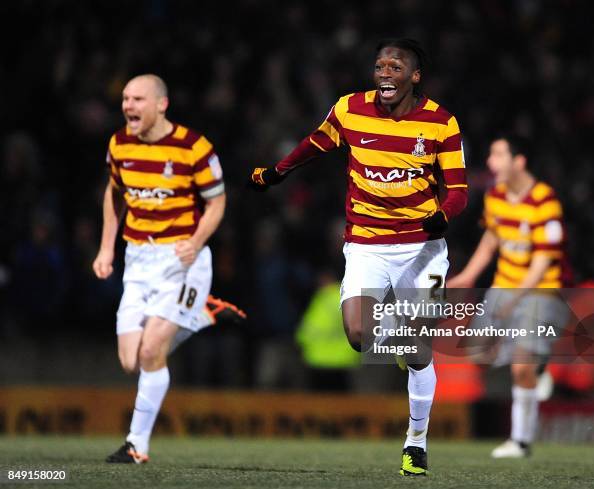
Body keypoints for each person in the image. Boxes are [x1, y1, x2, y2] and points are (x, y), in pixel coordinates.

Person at [249, 38, 468, 476]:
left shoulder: (441, 122)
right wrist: (278, 171)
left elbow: (459, 190)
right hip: (367, 243)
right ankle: (407, 343)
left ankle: (416, 442)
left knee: (420, 348)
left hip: (422, 250)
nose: (385, 73)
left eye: (395, 67)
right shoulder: (350, 109)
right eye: (379, 66)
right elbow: (316, 142)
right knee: (357, 334)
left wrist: (442, 216)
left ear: (414, 76)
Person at [93, 74, 229, 463]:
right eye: (125, 99)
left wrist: (197, 241)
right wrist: (106, 249)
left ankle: (137, 446)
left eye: (137, 99)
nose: (128, 106)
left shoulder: (193, 147)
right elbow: (113, 194)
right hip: (138, 258)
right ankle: (201, 313)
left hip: (181, 259)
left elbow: (217, 203)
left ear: (161, 104)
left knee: (153, 350)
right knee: (130, 359)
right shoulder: (119, 144)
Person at [447, 134, 569, 458]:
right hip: (503, 286)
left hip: (540, 291)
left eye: (498, 155)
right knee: (475, 353)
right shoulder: (496, 195)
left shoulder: (545, 202)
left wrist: (514, 301)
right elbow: (490, 240)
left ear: (519, 161)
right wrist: (468, 276)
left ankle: (520, 441)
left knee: (521, 366)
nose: (490, 162)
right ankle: (535, 368)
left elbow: (543, 264)